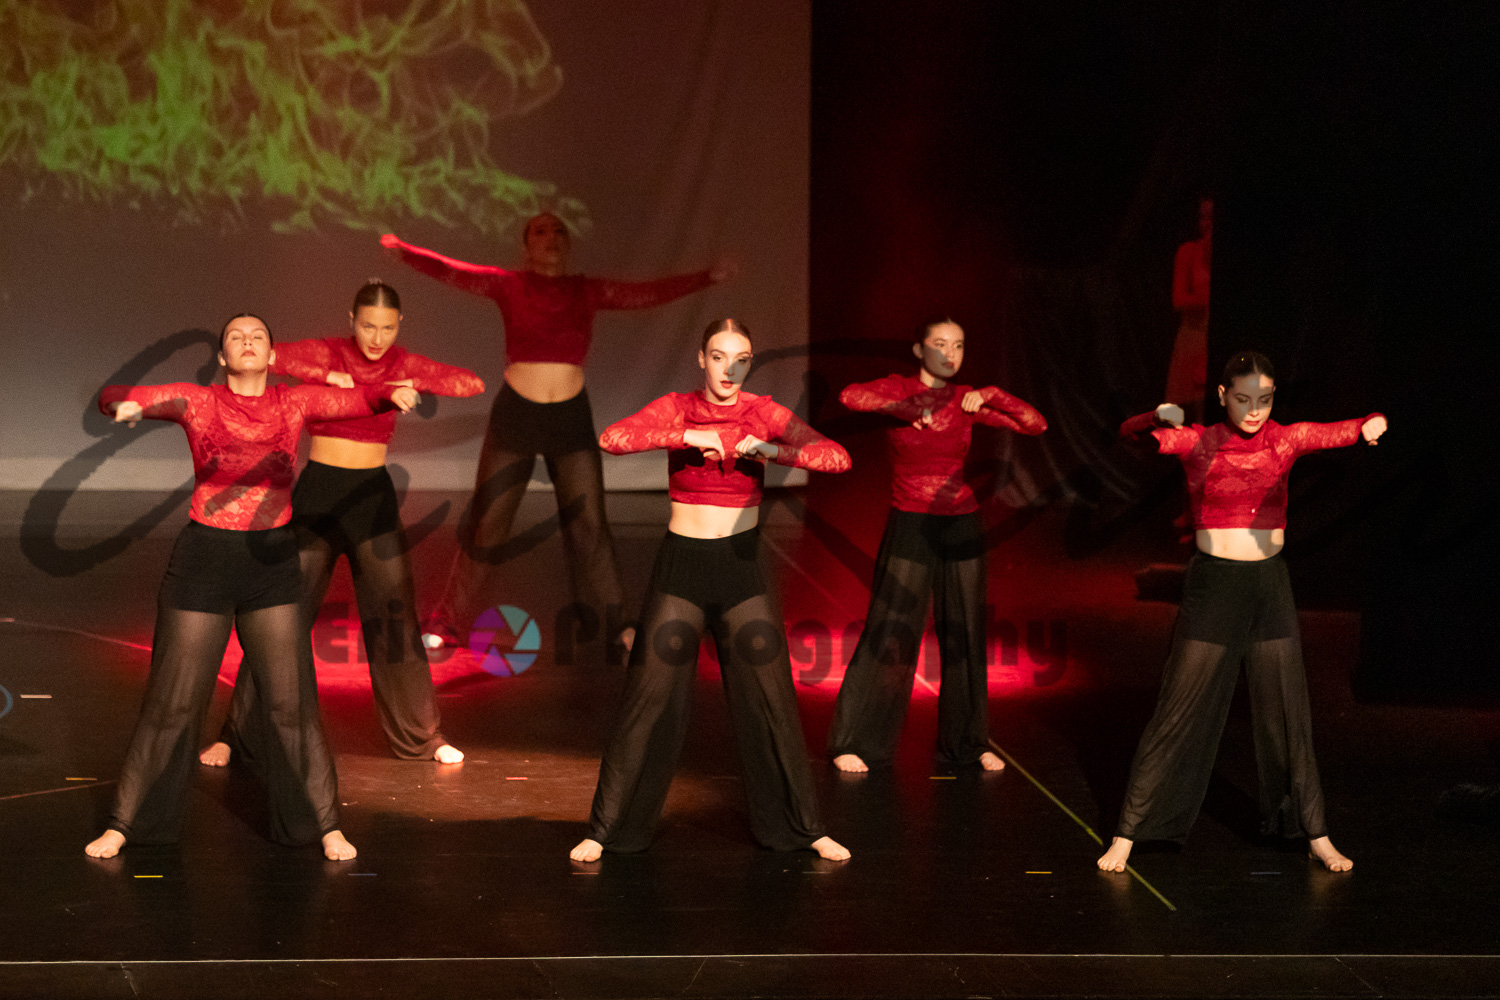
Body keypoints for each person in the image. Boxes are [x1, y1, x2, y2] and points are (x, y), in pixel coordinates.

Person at [85, 314, 417, 861]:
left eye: (257, 336)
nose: (246, 341)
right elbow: (117, 394)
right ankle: (126, 823)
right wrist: (120, 405)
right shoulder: (199, 402)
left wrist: (390, 394)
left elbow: (354, 401)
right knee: (172, 704)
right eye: (235, 337)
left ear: (270, 354)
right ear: (222, 357)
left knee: (291, 705)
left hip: (271, 564)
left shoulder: (294, 403)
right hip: (204, 561)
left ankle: (322, 824)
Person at [381, 216, 735, 655]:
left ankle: (620, 624)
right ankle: (446, 619)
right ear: (526, 246)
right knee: (489, 521)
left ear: (568, 245)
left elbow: (644, 294)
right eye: (540, 231)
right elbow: (454, 271)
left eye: (559, 232)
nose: (551, 238)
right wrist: (406, 253)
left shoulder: (584, 291)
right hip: (516, 416)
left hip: (570, 419)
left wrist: (706, 277)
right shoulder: (510, 285)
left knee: (590, 524)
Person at [569, 319, 852, 863]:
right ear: (702, 359)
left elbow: (836, 457)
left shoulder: (764, 412)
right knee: (647, 698)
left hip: (741, 568)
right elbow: (613, 438)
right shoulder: (677, 407)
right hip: (684, 566)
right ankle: (606, 829)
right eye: (719, 357)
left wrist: (772, 451)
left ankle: (804, 827)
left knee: (771, 700)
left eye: (741, 359)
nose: (729, 369)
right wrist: (684, 436)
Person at [1097, 351, 1386, 874]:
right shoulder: (1199, 441)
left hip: (1268, 585)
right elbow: (1128, 436)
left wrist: (1371, 422)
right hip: (1215, 585)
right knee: (1178, 706)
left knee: (1288, 711)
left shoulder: (1285, 439)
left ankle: (1315, 832)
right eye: (1244, 399)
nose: (1254, 410)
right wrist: (1153, 417)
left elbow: (1337, 431)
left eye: (1265, 400)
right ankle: (1128, 832)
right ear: (1223, 396)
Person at [199, 282, 483, 770]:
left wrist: (414, 383)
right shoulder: (328, 351)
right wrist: (330, 375)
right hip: (320, 493)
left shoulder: (404, 363)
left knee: (394, 616)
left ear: (400, 324)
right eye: (368, 326)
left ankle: (423, 737)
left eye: (387, 328)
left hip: (371, 497)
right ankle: (236, 736)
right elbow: (274, 356)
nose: (377, 338)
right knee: (281, 615)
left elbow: (471, 383)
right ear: (352, 319)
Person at [827, 319, 1047, 773]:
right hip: (911, 520)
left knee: (965, 632)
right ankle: (857, 742)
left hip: (962, 524)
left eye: (959, 345)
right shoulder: (899, 387)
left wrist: (992, 394)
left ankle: (967, 742)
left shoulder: (965, 397)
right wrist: (907, 407)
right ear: (919, 349)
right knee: (892, 630)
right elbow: (850, 396)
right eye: (940, 344)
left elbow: (1034, 424)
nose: (950, 353)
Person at [1166, 197, 1212, 422]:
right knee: (1185, 412)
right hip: (1193, 339)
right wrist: (1206, 297)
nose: (1208, 223)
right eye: (1203, 217)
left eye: (1212, 217)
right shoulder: (1189, 252)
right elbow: (1179, 300)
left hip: (1213, 340)